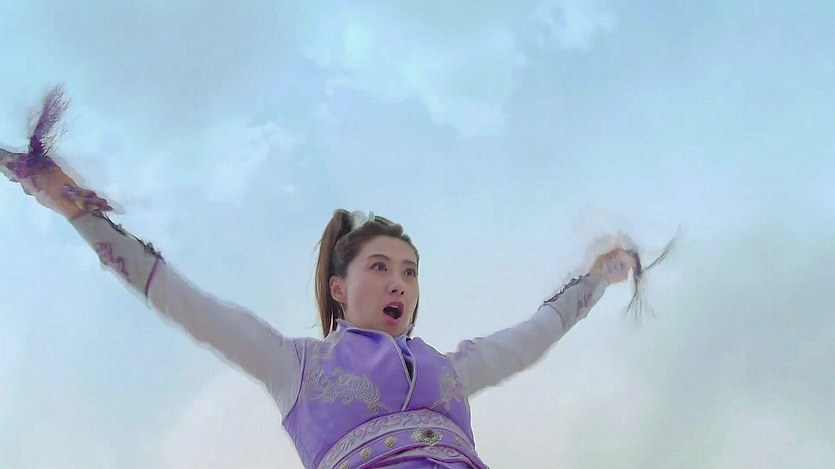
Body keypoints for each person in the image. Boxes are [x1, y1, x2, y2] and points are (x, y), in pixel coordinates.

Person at [2, 87, 670, 469]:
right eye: (379, 267)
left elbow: (533, 334)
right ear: (338, 288)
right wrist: (76, 212)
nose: (399, 283)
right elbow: (183, 300)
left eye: (409, 271)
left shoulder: (450, 370)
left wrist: (596, 280)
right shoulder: (295, 366)